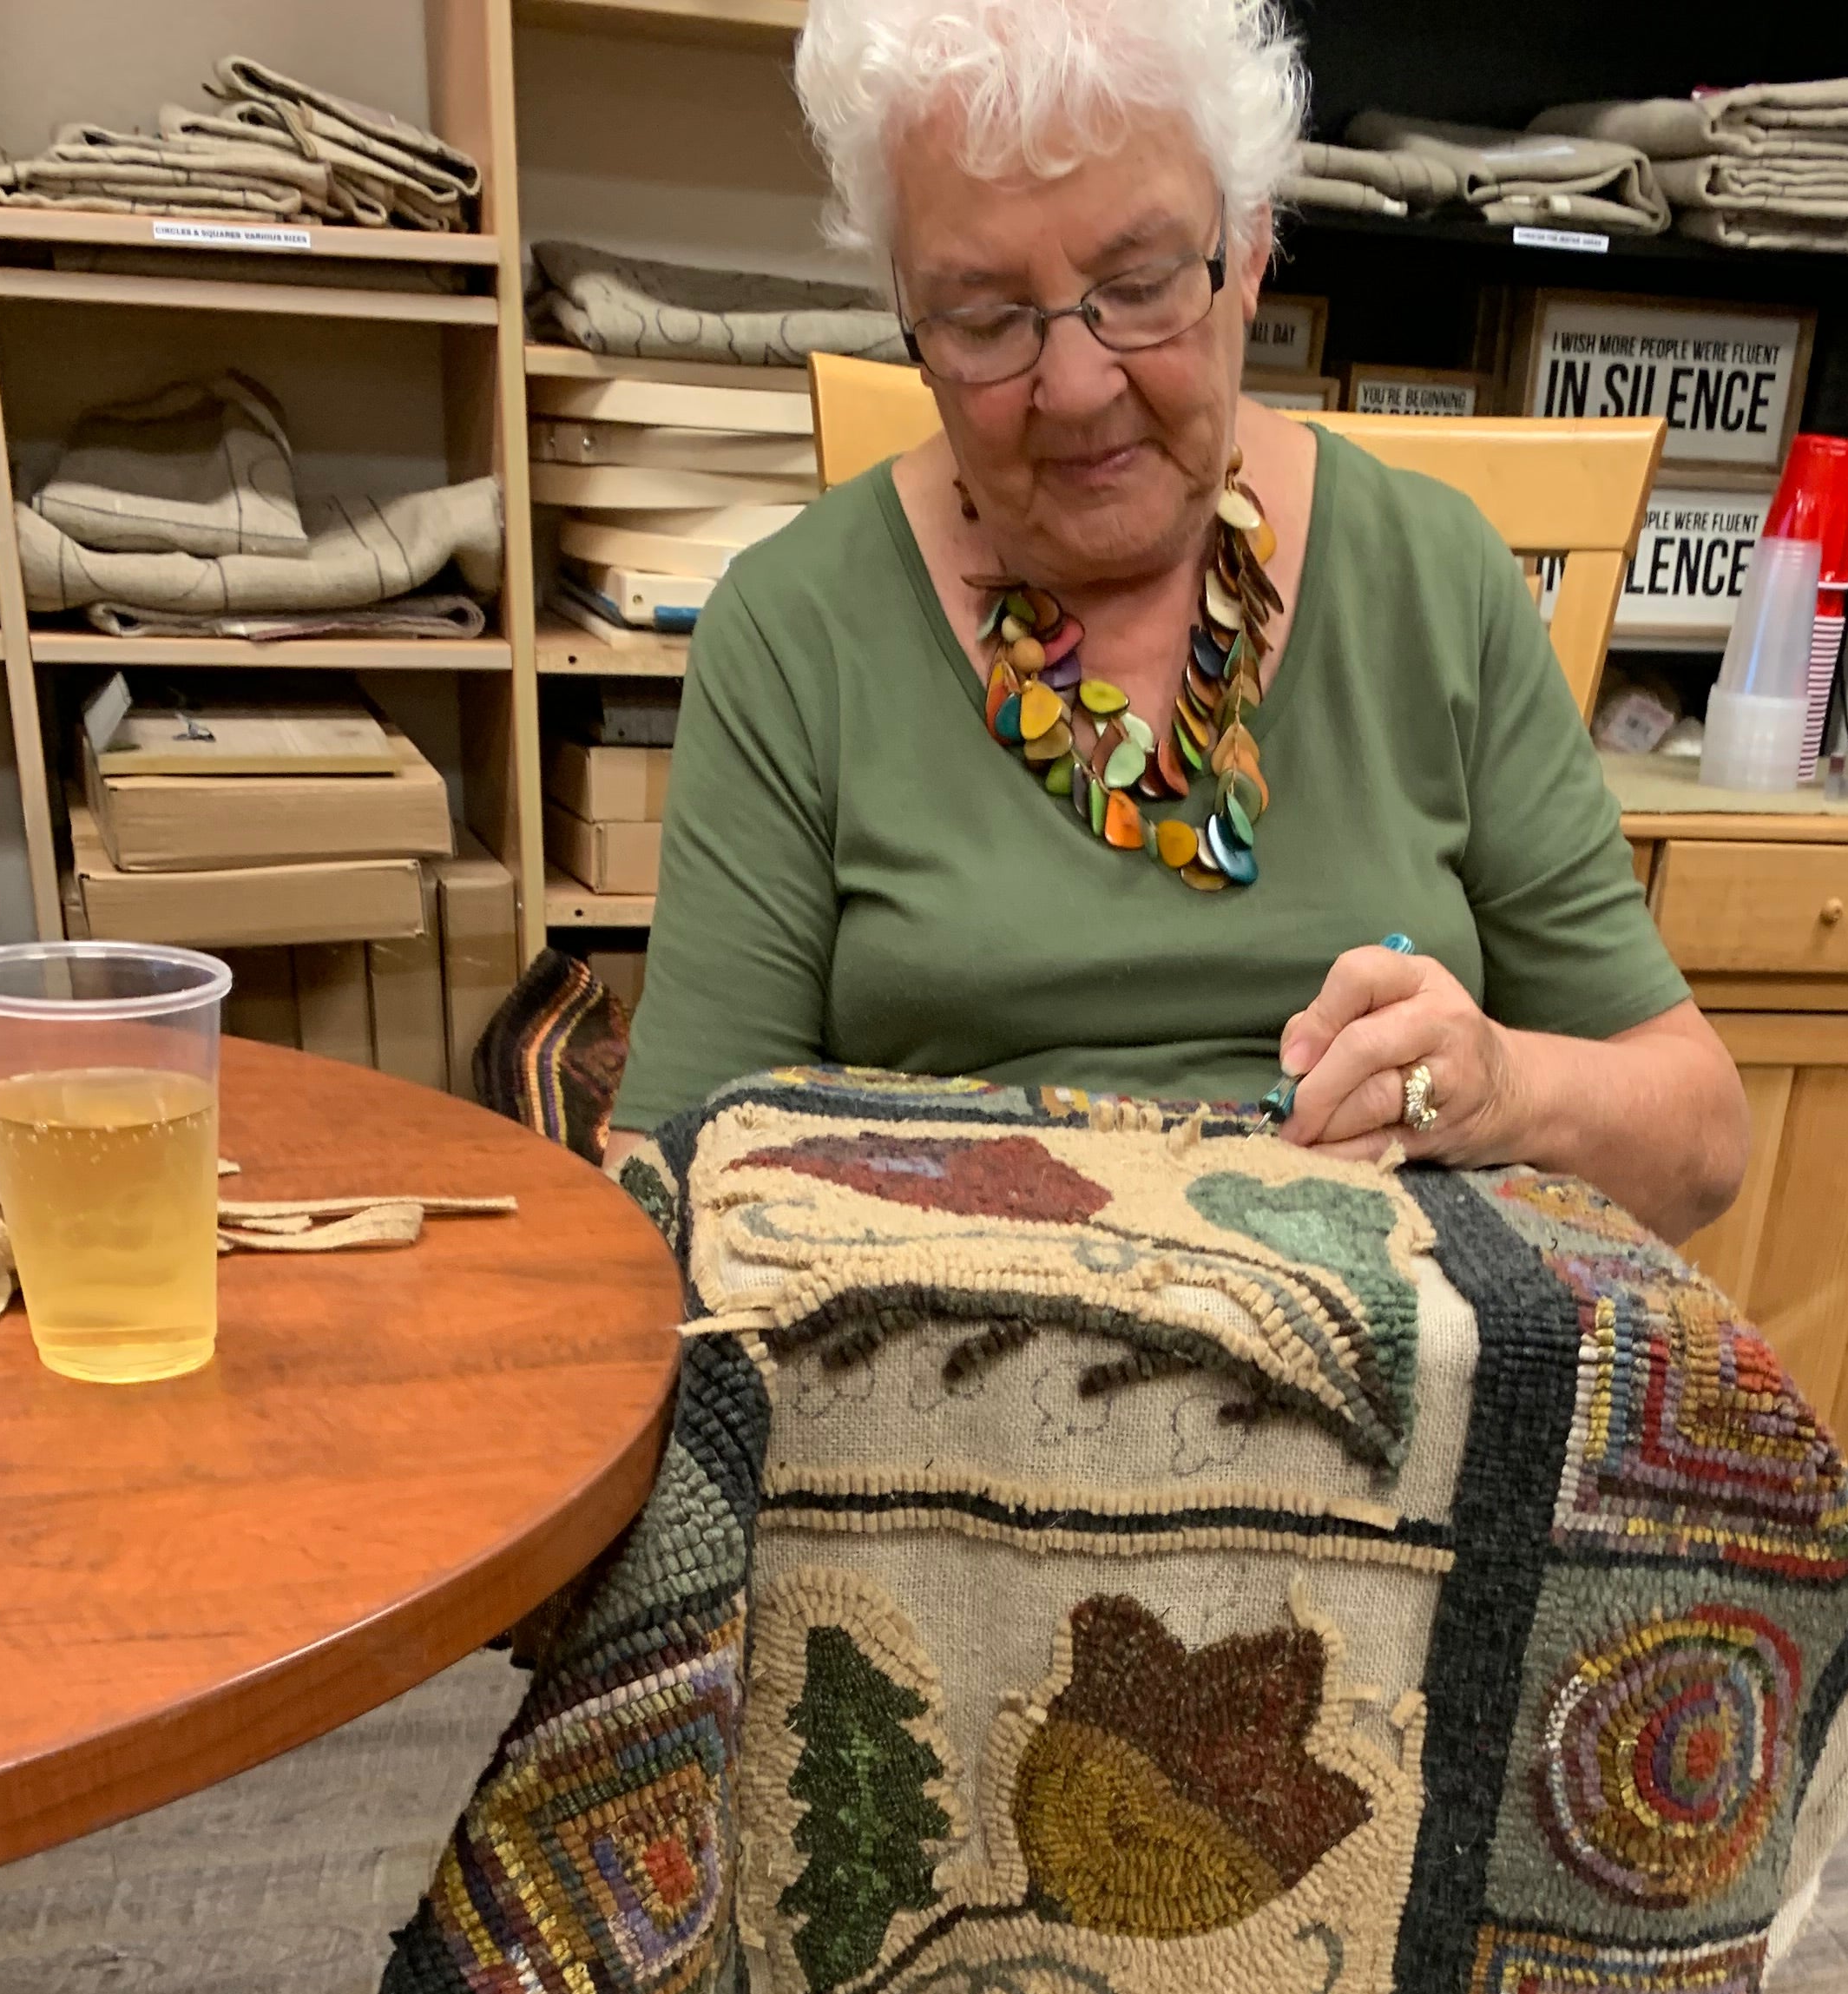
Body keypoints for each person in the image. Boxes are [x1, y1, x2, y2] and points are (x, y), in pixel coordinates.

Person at [606, 0, 1750, 1240]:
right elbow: (671, 1176)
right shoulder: (791, 632)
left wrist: (1501, 1089)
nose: (1075, 386)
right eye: (985, 318)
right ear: (910, 320)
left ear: (1248, 248)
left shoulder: (1437, 580)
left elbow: (1698, 1142)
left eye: (1140, 286)